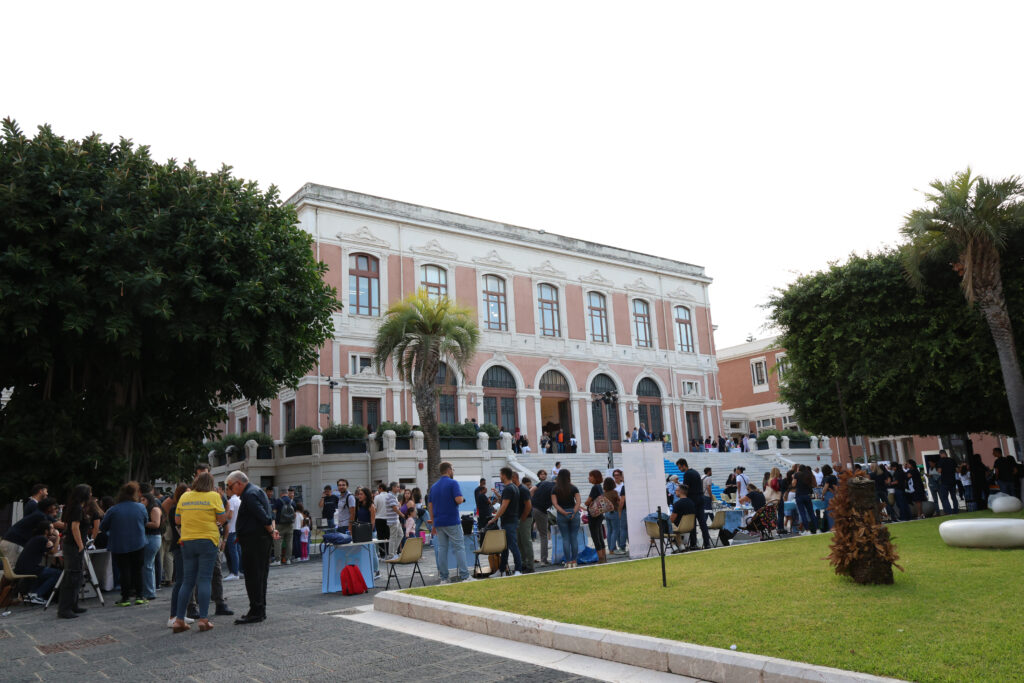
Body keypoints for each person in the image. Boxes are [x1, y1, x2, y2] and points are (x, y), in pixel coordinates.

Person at [172, 472, 228, 633]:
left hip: (187, 540)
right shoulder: (214, 496)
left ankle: (179, 620)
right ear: (211, 484)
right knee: (204, 579)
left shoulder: (185, 496)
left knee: (187, 581)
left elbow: (177, 520)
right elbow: (222, 519)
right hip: (207, 540)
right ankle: (203, 619)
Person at [100, 481, 150, 607]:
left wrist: (112, 532)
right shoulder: (141, 507)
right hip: (138, 542)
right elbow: (145, 521)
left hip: (119, 544)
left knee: (124, 570)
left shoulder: (113, 509)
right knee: (138, 570)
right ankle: (139, 595)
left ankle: (125, 597)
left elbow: (103, 526)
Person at [428, 461, 472, 583]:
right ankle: (465, 576)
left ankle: (444, 578)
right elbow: (458, 500)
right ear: (448, 470)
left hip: (439, 522)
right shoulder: (453, 483)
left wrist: (433, 523)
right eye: (452, 469)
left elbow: (430, 505)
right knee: (459, 547)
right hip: (452, 520)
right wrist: (462, 499)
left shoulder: (434, 487)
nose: (453, 472)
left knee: (442, 549)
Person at [55, 485, 91, 619]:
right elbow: (75, 527)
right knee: (72, 576)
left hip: (72, 544)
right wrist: (80, 545)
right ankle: (65, 608)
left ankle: (73, 604)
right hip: (74, 545)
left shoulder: (74, 507)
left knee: (76, 576)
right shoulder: (77, 508)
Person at [165, 484, 193, 629]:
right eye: (187, 493)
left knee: (186, 580)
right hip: (180, 546)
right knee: (181, 580)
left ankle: (180, 614)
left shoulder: (178, 508)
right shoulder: (176, 509)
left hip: (183, 546)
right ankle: (173, 615)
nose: (189, 495)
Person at [1, 496, 58, 565]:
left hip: (11, 541)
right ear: (48, 507)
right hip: (13, 543)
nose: (55, 508)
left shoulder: (39, 514)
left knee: (10, 570)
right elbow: (44, 533)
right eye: (53, 506)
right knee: (12, 570)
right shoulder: (41, 516)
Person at [486, 467, 522, 575]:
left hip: (509, 521)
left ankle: (518, 570)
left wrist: (494, 518)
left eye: (500, 474)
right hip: (512, 520)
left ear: (504, 475)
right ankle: (501, 570)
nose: (500, 477)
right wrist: (497, 494)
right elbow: (505, 501)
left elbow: (504, 506)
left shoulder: (508, 488)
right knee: (505, 547)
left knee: (512, 546)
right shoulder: (514, 488)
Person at [16, 521, 60, 605]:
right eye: (52, 528)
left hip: (22, 568)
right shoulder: (42, 539)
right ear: (46, 531)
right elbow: (54, 552)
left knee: (45, 572)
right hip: (31, 569)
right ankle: (37, 594)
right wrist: (58, 537)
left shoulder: (36, 538)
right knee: (58, 574)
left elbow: (47, 552)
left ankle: (32, 593)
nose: (54, 530)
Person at [678, 459, 711, 548]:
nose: (679, 469)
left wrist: (679, 488)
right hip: (701, 498)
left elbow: (686, 488)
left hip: (693, 499)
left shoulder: (687, 474)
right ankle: (707, 543)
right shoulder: (696, 472)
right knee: (702, 522)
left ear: (683, 465)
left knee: (692, 523)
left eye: (680, 467)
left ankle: (693, 544)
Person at [551, 469, 581, 568]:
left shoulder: (555, 489)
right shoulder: (573, 488)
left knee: (565, 538)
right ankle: (574, 560)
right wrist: (574, 511)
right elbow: (578, 502)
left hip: (561, 513)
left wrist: (563, 512)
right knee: (574, 538)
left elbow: (555, 504)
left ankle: (568, 562)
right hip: (573, 512)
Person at [140, 484, 164, 600]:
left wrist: (141, 523)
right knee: (149, 565)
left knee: (147, 565)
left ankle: (149, 592)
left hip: (153, 538)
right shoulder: (147, 509)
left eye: (143, 499)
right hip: (150, 538)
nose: (141, 501)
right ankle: (150, 589)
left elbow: (156, 524)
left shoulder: (154, 509)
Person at [531, 470, 555, 565]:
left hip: (534, 508)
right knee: (544, 535)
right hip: (541, 510)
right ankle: (543, 560)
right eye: (542, 474)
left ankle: (534, 559)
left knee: (540, 533)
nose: (543, 475)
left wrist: (533, 501)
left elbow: (531, 491)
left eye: (545, 474)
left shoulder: (543, 484)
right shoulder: (555, 488)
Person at [583, 470, 607, 563]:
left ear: (595, 477)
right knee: (600, 536)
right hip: (599, 514)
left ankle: (600, 558)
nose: (589, 478)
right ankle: (604, 557)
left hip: (593, 515)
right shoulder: (600, 487)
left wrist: (586, 503)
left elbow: (588, 502)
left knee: (595, 536)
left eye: (590, 476)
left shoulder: (595, 487)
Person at [512, 472, 534, 572]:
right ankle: (524, 563)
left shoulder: (523, 489)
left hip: (525, 518)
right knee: (520, 543)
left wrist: (523, 517)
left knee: (526, 542)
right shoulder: (516, 489)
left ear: (515, 478)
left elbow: (528, 505)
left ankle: (530, 565)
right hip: (520, 518)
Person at [669, 484, 696, 552]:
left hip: (680, 527)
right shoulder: (692, 502)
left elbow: (672, 519)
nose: (675, 492)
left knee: (666, 525)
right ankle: (681, 546)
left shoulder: (677, 504)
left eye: (676, 490)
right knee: (675, 527)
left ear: (680, 492)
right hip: (690, 527)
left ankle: (673, 546)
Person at [224, 485, 242, 580]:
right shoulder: (239, 500)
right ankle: (239, 571)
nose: (226, 492)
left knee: (233, 552)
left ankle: (234, 573)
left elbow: (229, 516)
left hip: (231, 529)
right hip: (237, 528)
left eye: (226, 490)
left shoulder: (231, 501)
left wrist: (223, 516)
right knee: (238, 551)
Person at [793, 465, 817, 534]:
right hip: (807, 495)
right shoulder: (808, 474)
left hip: (799, 495)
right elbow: (814, 484)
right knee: (811, 513)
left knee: (802, 513)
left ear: (799, 469)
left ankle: (807, 530)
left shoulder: (797, 474)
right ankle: (817, 529)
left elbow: (793, 484)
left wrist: (794, 478)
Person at [276, 488, 297, 565]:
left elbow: (274, 512)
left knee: (278, 541)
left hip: (280, 524)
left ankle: (278, 560)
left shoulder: (278, 501)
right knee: (289, 542)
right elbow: (294, 514)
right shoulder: (292, 502)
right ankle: (288, 559)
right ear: (287, 493)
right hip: (290, 524)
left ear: (281, 493)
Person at [384, 482, 403, 559]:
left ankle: (394, 552)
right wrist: (402, 514)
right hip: (393, 520)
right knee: (393, 537)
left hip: (395, 519)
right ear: (393, 487)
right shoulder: (391, 496)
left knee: (400, 535)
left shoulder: (394, 496)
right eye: (397, 487)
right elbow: (395, 508)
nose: (399, 488)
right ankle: (391, 554)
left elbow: (397, 506)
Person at [613, 469, 628, 553]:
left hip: (625, 510)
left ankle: (622, 547)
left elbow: (622, 501)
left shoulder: (624, 487)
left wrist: (619, 511)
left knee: (623, 528)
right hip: (631, 509)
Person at [820, 465, 838, 531]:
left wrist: (822, 495)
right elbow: (836, 487)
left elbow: (825, 487)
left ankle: (831, 527)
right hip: (833, 494)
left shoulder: (825, 478)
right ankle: (835, 526)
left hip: (827, 495)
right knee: (834, 511)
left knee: (829, 512)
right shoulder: (833, 477)